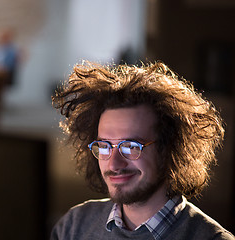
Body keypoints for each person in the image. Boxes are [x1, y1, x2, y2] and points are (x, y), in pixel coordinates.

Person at [50, 60, 235, 239]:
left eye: (131, 146)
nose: (114, 163)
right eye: (105, 146)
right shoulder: (74, 226)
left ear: (169, 148)